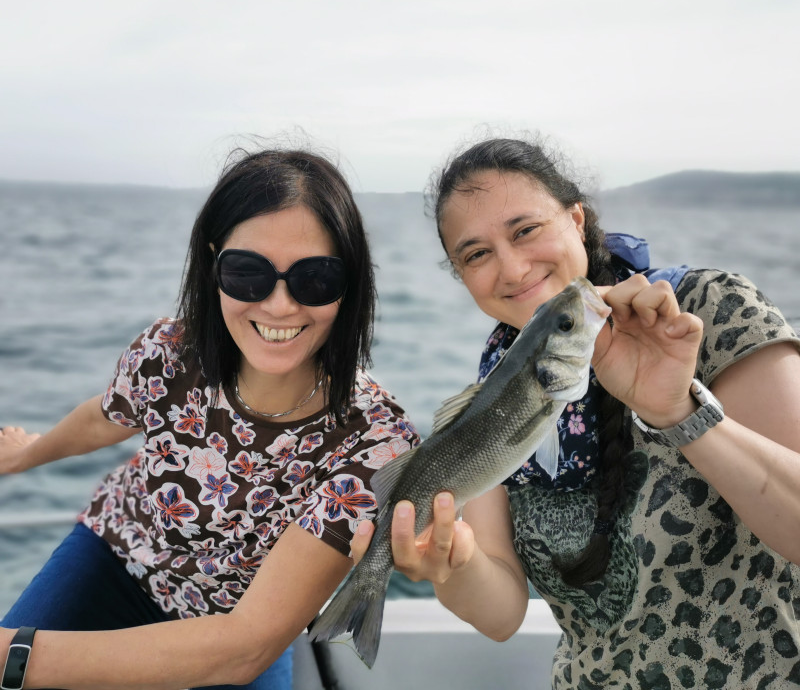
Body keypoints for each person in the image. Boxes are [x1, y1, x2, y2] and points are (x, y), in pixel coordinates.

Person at [352, 137, 800, 688]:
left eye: (525, 230)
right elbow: (502, 615)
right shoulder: (496, 387)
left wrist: (678, 412)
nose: (512, 268)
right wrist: (452, 563)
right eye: (476, 254)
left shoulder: (709, 310)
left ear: (575, 216)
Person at [0, 147, 419, 690]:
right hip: (117, 555)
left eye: (315, 278)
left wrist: (14, 655)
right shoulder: (172, 351)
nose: (279, 305)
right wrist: (26, 454)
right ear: (211, 263)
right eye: (247, 273)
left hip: (236, 630)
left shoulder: (377, 445)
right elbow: (107, 417)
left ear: (352, 284)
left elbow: (246, 645)